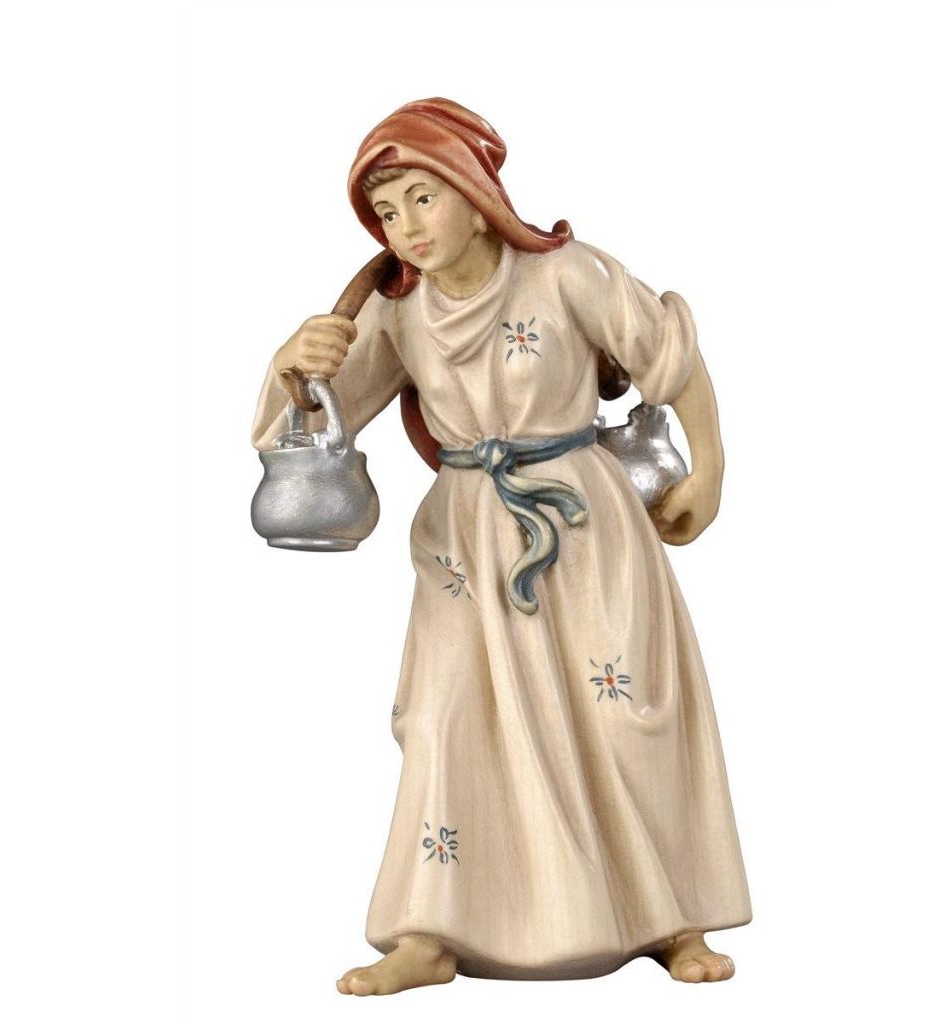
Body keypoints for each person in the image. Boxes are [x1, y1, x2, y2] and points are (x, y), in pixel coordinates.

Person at [252, 98, 751, 995]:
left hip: (586, 526)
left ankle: (673, 917)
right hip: (464, 539)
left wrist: (709, 469)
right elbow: (316, 424)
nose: (407, 227)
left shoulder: (567, 276)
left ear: (475, 195)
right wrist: (297, 363)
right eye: (387, 212)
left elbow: (670, 356)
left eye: (422, 198)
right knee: (446, 718)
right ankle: (429, 933)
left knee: (622, 709)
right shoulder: (398, 312)